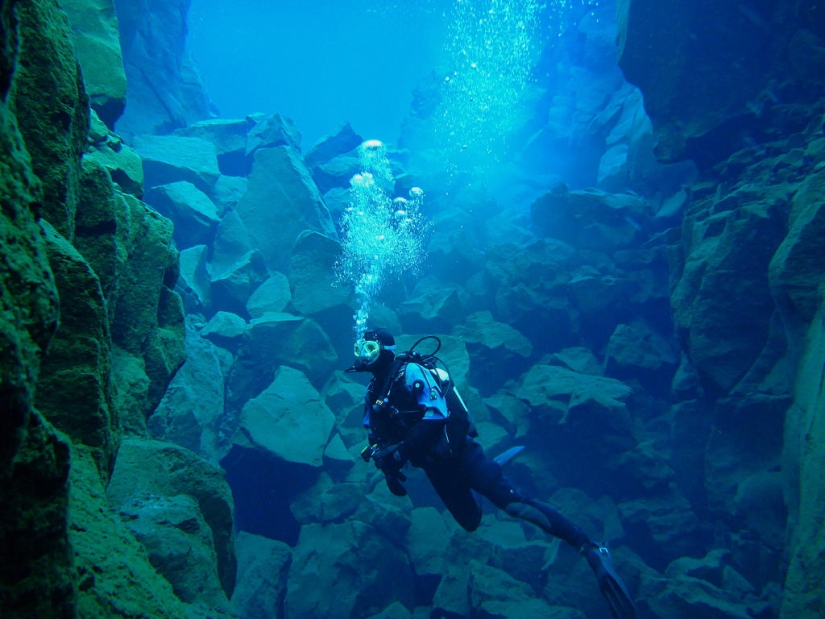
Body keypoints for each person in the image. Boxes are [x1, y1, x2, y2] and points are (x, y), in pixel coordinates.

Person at [348, 328, 636, 619]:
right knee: (470, 522)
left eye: (370, 348)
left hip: (462, 454)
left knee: (514, 505)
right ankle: (490, 476)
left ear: (386, 349)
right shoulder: (371, 394)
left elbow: (436, 413)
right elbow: (374, 437)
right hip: (437, 468)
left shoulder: (409, 373)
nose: (363, 356)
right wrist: (387, 469)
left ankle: (590, 548)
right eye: (360, 349)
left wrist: (404, 451)